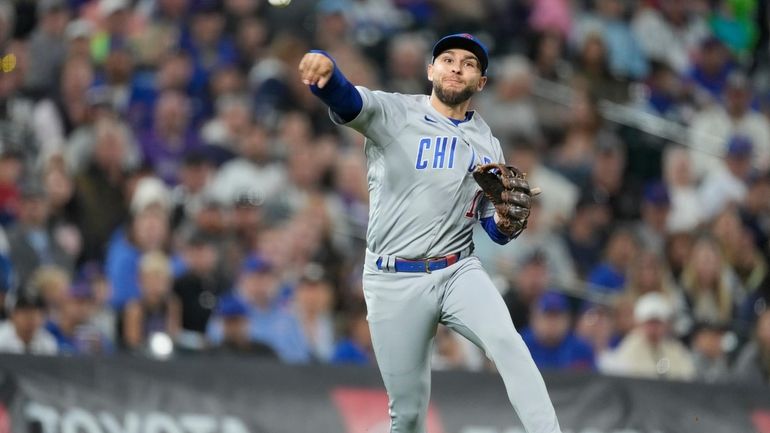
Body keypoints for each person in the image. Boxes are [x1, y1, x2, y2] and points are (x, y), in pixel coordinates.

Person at [299, 33, 562, 433]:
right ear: (430, 70)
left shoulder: (488, 143)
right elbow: (348, 100)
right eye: (448, 59)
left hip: (458, 270)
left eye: (469, 63)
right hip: (392, 279)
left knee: (509, 345)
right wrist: (327, 69)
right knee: (407, 414)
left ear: (482, 82)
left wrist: (506, 225)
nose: (457, 67)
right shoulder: (396, 113)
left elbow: (493, 226)